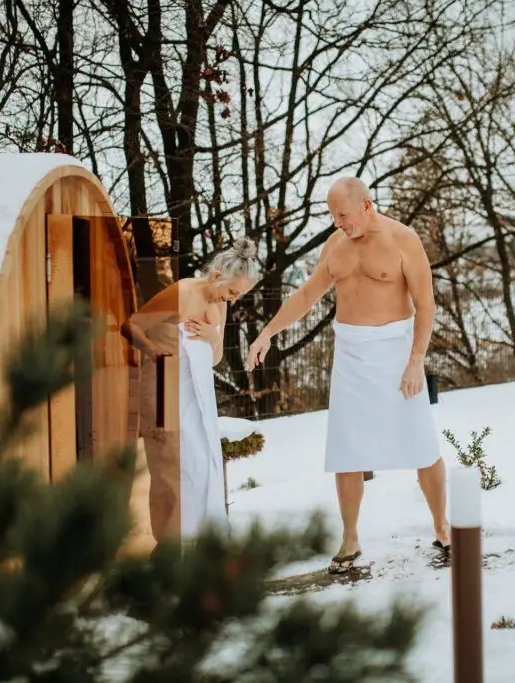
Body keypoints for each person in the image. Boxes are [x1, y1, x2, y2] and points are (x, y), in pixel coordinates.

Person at [245, 177, 449, 573]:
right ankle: (350, 537)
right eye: (334, 216)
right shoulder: (335, 245)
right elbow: (307, 295)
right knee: (346, 450)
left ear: (366, 205)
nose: (338, 223)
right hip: (352, 355)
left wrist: (415, 360)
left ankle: (442, 526)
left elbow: (426, 304)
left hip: (396, 352)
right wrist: (268, 332)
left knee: (421, 443)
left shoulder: (403, 240)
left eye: (342, 215)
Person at [123, 237, 260, 543]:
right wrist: (154, 352)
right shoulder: (182, 292)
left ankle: (200, 540)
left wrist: (213, 336)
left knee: (201, 462)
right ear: (217, 276)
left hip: (196, 391)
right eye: (233, 292)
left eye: (239, 295)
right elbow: (130, 326)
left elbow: (215, 358)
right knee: (169, 465)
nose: (233, 300)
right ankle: (168, 546)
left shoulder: (220, 304)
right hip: (163, 383)